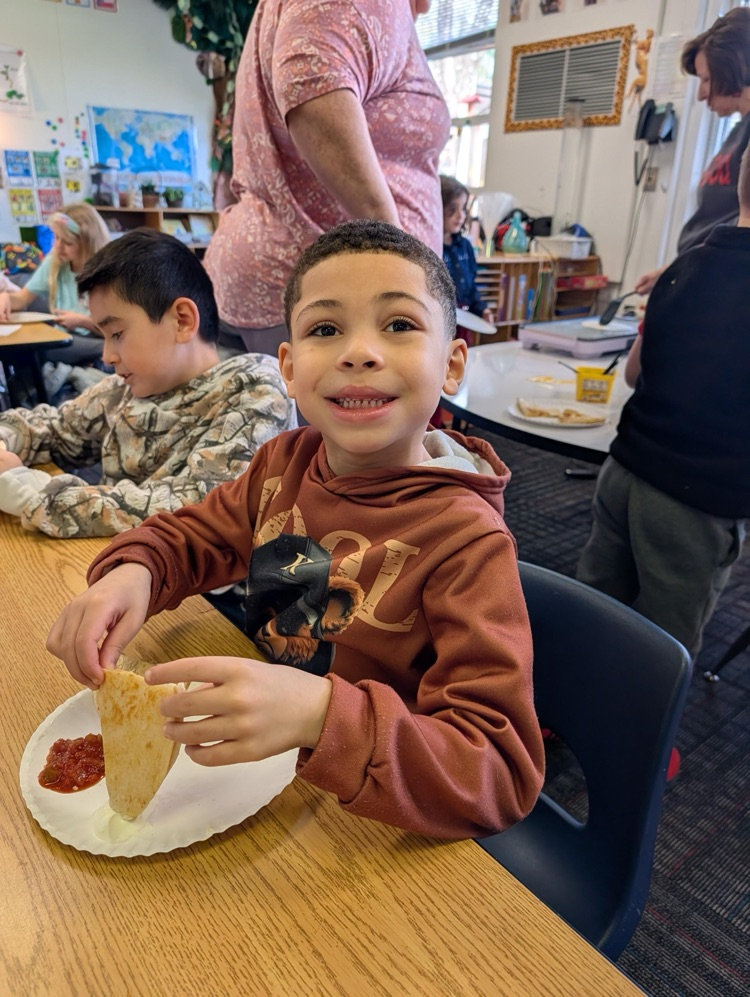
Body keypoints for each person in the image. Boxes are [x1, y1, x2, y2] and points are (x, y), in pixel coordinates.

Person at [46, 220, 544, 840]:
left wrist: (319, 715)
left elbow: (496, 774)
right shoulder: (282, 463)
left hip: (366, 815)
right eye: (325, 329)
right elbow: (193, 537)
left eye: (399, 324)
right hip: (254, 773)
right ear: (288, 365)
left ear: (451, 364)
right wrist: (136, 572)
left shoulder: (468, 542)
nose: (357, 352)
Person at [0, 229, 295, 539]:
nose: (107, 356)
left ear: (182, 320)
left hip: (209, 585)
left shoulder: (255, 387)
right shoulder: (123, 390)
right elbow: (51, 428)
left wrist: (27, 490)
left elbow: (198, 507)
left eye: (116, 334)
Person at [577, 149, 750, 663]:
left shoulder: (684, 265)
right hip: (696, 501)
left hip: (625, 470)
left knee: (592, 607)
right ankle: (637, 744)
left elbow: (633, 372)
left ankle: (557, 719)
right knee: (661, 649)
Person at [204, 0, 450, 359]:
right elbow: (312, 82)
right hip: (324, 293)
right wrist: (398, 260)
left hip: (313, 288)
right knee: (335, 413)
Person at [636, 8, 750, 294]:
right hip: (700, 278)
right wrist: (672, 271)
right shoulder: (737, 133)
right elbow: (716, 224)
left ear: (737, 68)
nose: (700, 94)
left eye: (707, 79)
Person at [0, 204, 111, 394]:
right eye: (56, 238)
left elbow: (116, 331)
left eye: (67, 242)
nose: (58, 246)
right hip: (65, 339)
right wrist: (6, 298)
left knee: (38, 350)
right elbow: (22, 299)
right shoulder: (55, 263)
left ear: (87, 242)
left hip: (92, 338)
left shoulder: (107, 274)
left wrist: (83, 322)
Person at [440, 175, 494, 334]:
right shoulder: (431, 247)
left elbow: (471, 288)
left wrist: (482, 309)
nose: (460, 215)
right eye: (452, 208)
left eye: (463, 208)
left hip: (464, 324)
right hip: (440, 326)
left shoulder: (465, 247)